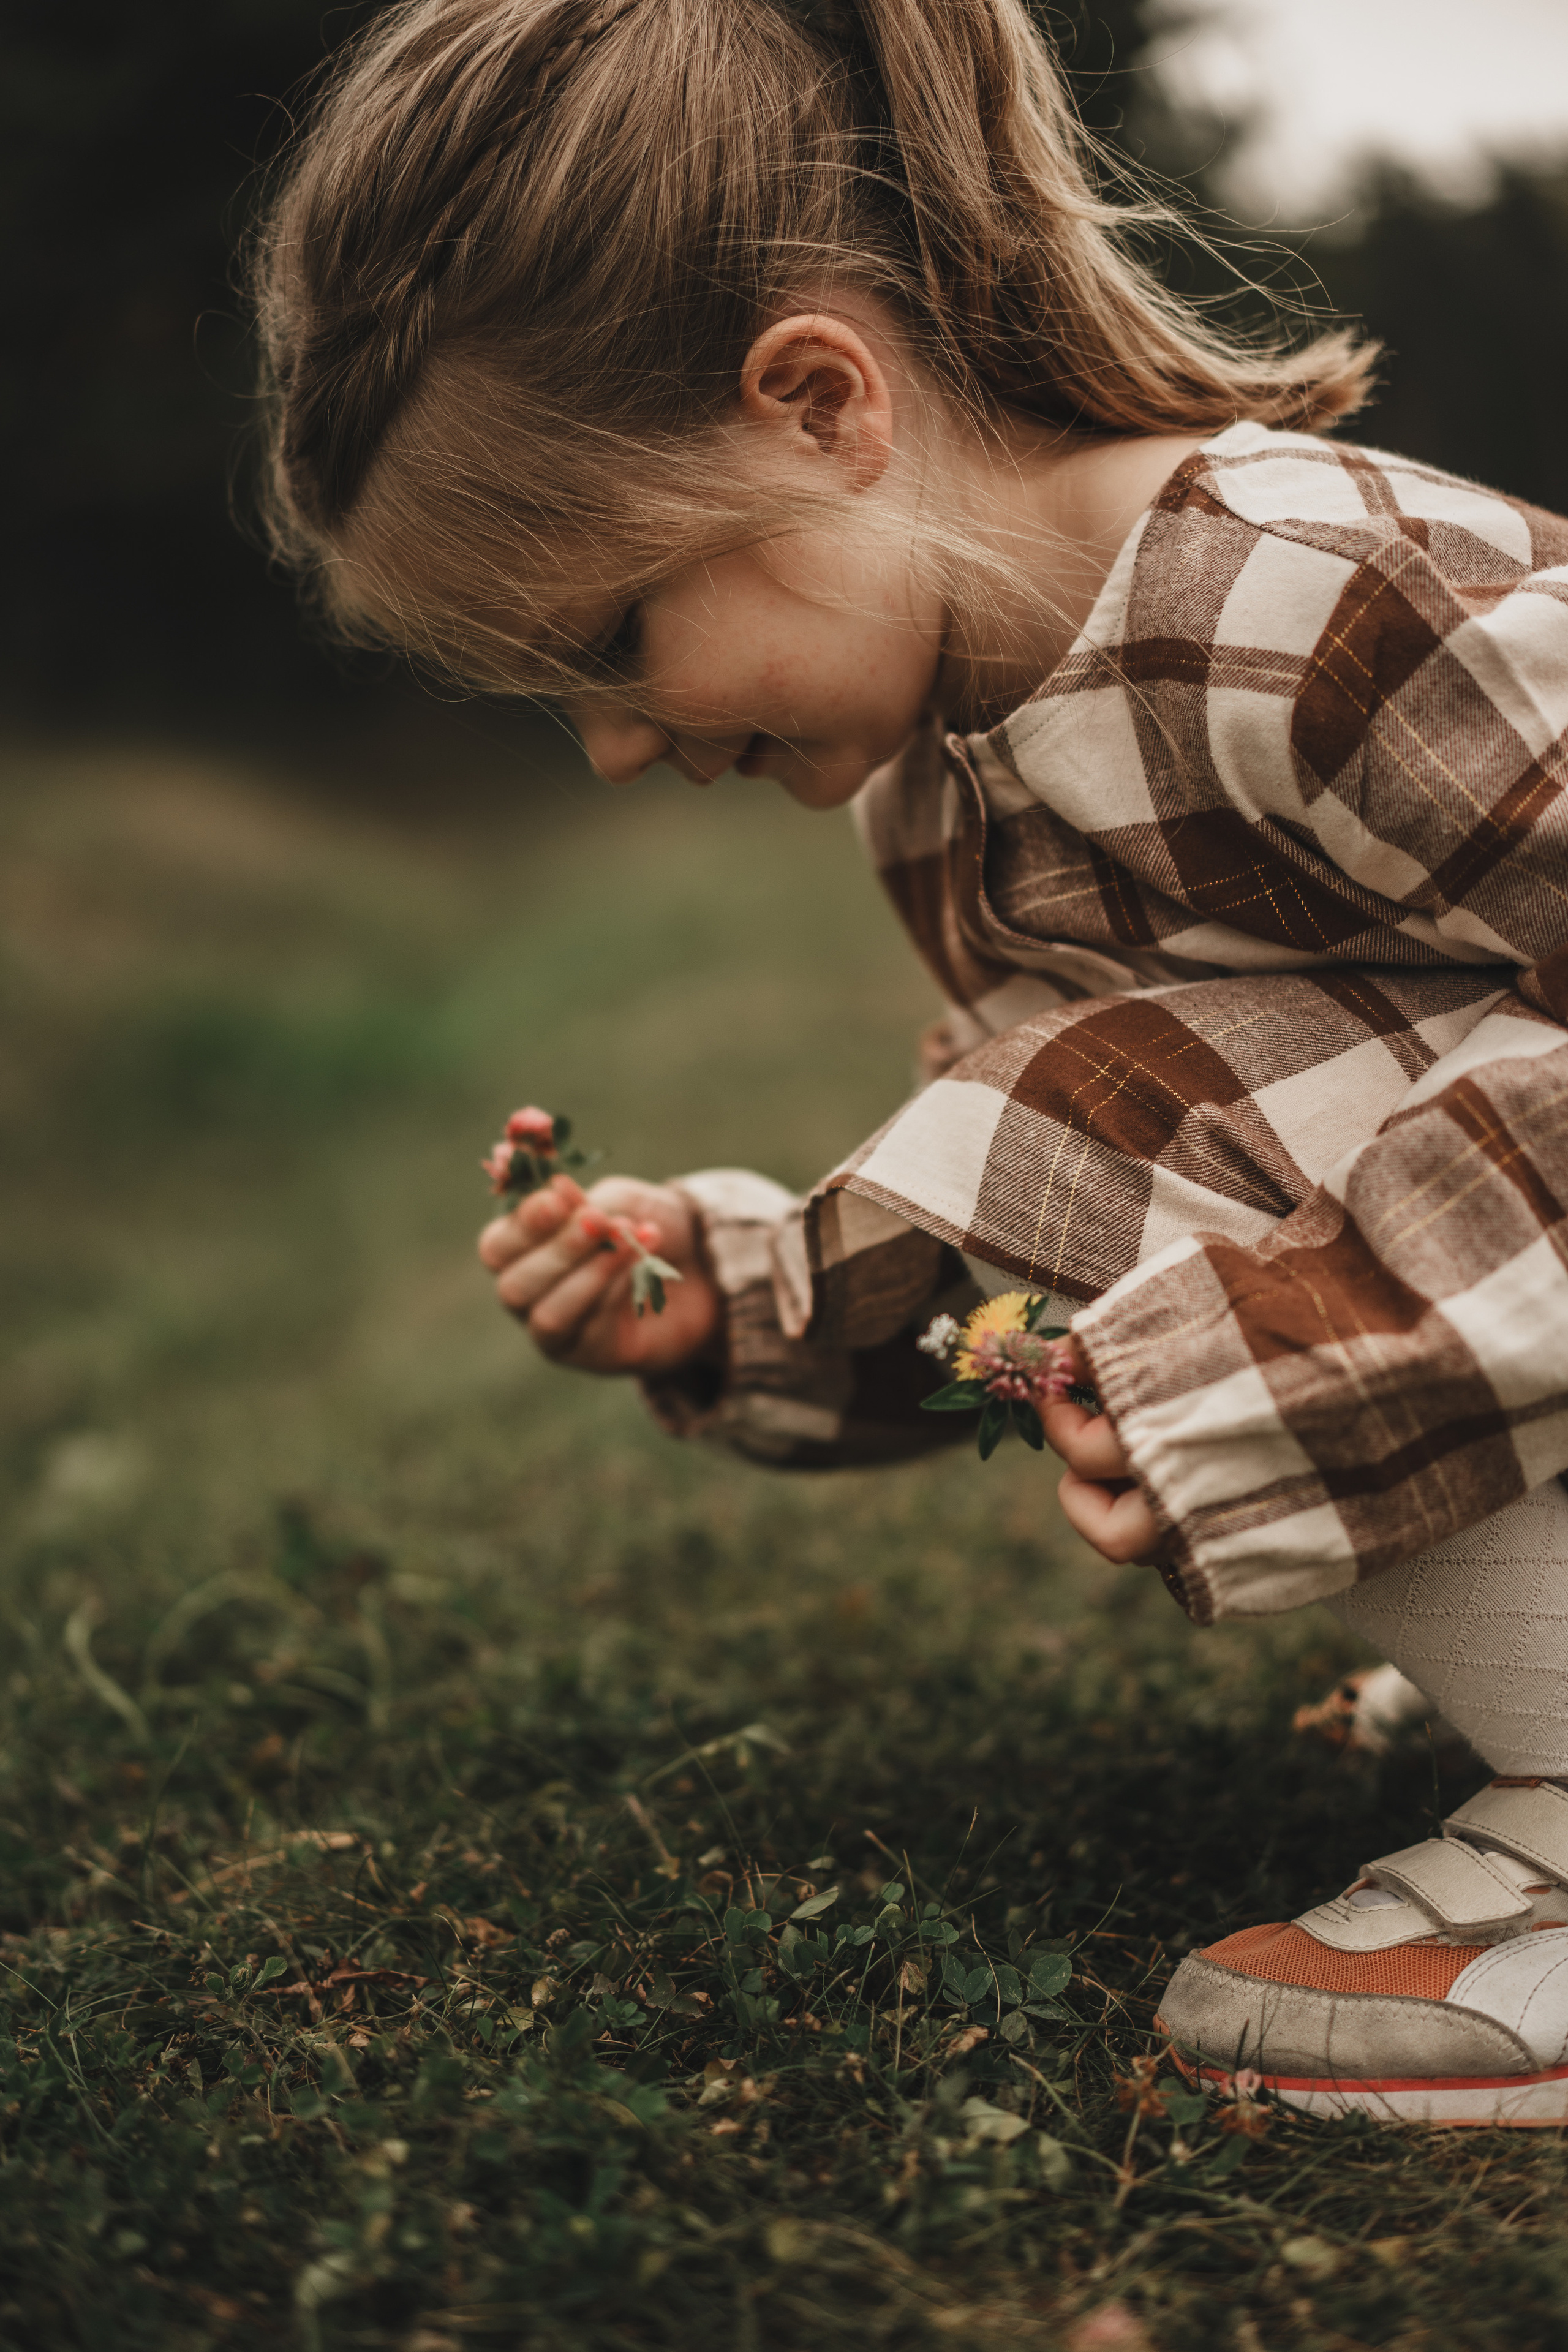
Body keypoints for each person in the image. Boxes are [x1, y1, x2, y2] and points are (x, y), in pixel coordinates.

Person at [252, 0, 1568, 2124]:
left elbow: (1160, 1148)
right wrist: (755, 1300)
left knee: (1117, 1096)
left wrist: (1311, 1342)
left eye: (613, 634)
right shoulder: (938, 793)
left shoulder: (1313, 607)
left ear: (815, 404)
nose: (610, 747)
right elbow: (1045, 1235)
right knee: (1085, 1103)